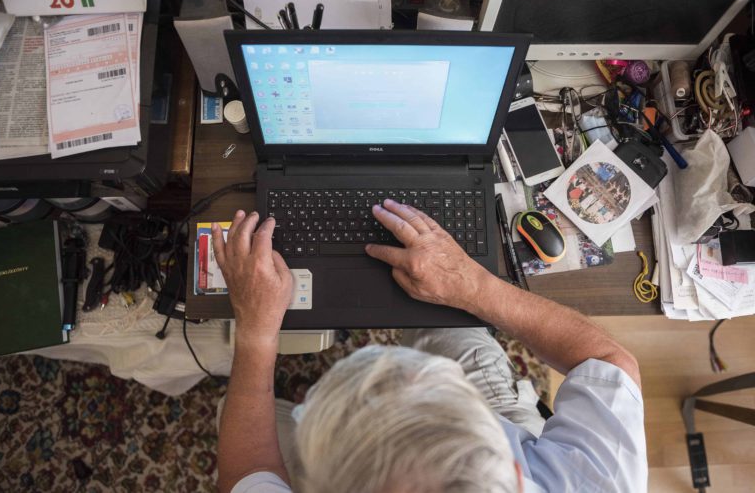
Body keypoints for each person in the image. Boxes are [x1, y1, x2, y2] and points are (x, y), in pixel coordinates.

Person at [212, 199, 647, 493]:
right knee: (443, 312)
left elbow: (245, 471)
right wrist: (472, 286)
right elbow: (609, 363)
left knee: (231, 413)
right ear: (516, 477)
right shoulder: (601, 483)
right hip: (498, 418)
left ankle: (303, 417)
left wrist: (256, 331)